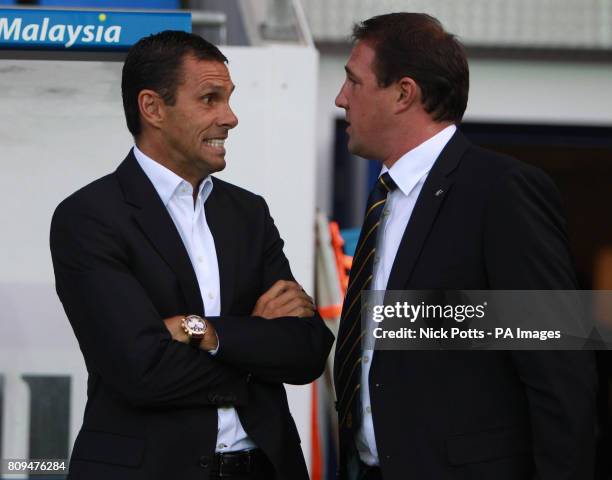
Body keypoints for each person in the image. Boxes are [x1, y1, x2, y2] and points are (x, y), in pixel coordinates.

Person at [50, 30, 334, 480]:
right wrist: (256, 342)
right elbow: (139, 369)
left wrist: (195, 329)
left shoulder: (248, 213)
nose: (230, 117)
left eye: (229, 98)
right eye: (209, 99)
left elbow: (307, 350)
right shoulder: (89, 217)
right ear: (153, 108)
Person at [333, 13, 596, 480]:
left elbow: (559, 373)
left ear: (403, 93)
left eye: (354, 81)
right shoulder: (385, 198)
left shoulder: (501, 193)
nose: (341, 98)